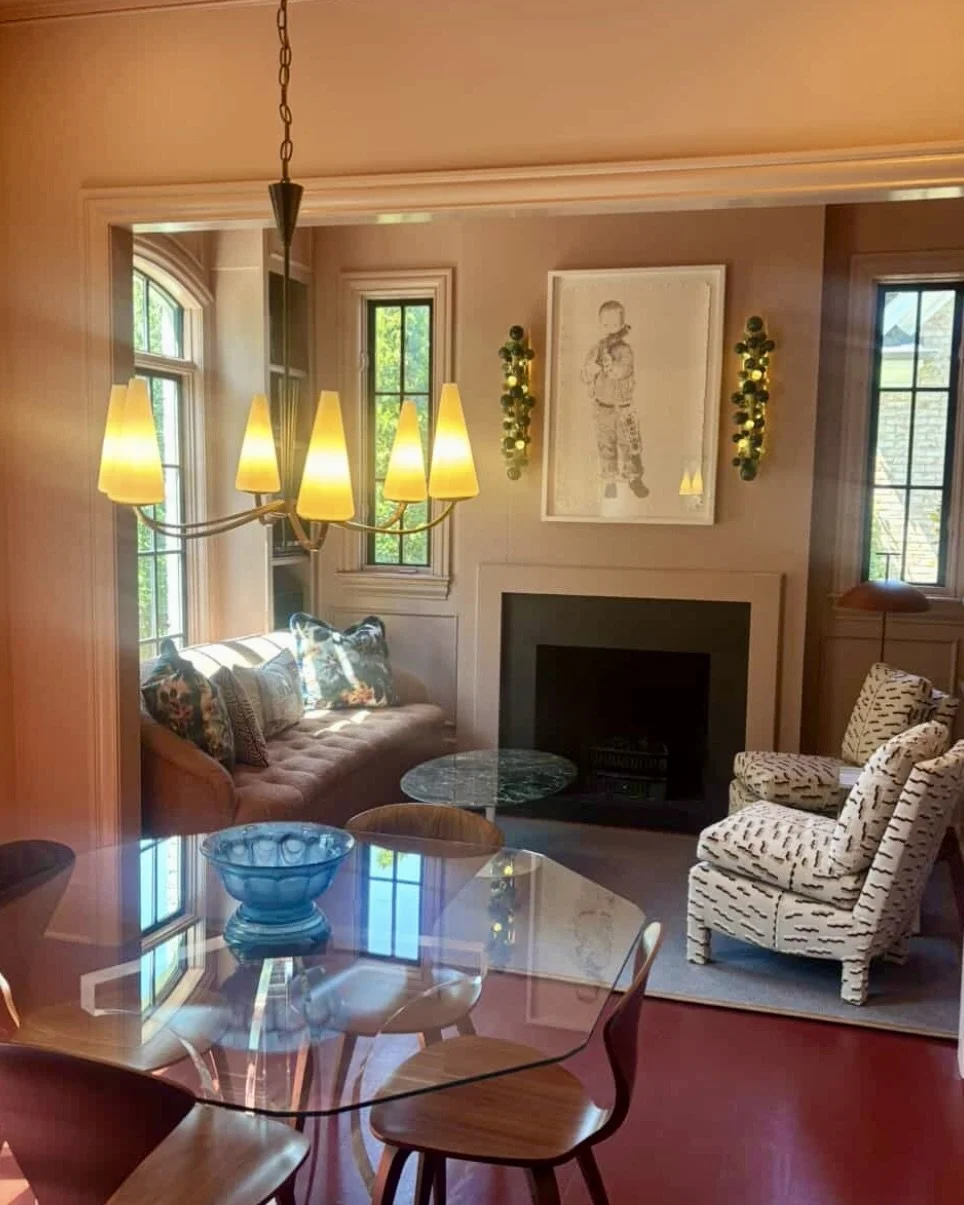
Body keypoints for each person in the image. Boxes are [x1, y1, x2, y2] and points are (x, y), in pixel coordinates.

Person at [581, 300, 648, 499]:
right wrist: (589, 371)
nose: (610, 329)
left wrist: (609, 366)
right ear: (599, 325)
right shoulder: (596, 349)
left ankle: (633, 477)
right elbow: (584, 375)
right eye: (606, 325)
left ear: (622, 324)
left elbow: (624, 371)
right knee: (606, 444)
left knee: (630, 443)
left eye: (615, 325)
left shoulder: (625, 350)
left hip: (623, 406)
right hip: (603, 407)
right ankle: (609, 480)